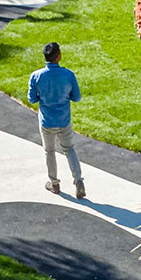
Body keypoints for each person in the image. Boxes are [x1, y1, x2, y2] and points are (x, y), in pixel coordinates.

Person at [26, 41, 85, 199]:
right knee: (69, 149)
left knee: (49, 151)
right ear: (59, 56)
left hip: (46, 122)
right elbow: (77, 97)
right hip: (64, 120)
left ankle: (54, 183)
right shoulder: (68, 75)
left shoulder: (36, 76)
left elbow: (31, 99)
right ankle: (78, 181)